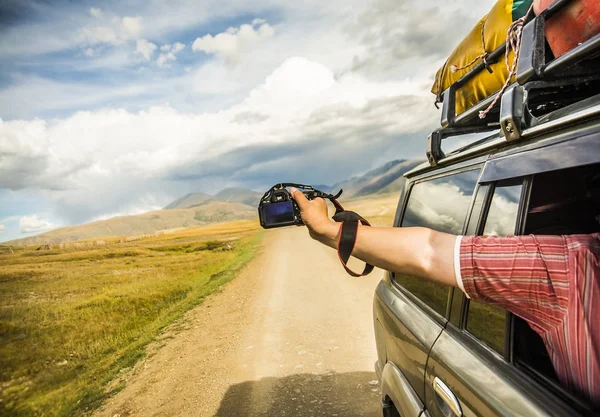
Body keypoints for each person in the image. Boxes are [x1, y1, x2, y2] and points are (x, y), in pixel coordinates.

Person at [289, 188, 600, 404]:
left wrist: (327, 229)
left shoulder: (573, 266)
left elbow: (431, 252)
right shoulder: (573, 265)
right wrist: (328, 230)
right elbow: (428, 252)